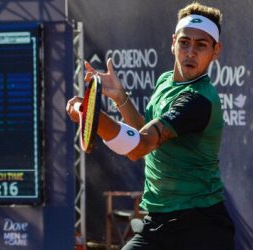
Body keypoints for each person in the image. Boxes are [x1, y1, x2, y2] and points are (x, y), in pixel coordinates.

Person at [66, 2, 234, 249]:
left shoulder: (199, 100)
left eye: (201, 46)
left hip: (202, 228)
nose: (190, 52)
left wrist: (94, 117)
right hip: (158, 225)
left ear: (215, 51)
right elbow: (144, 135)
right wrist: (121, 98)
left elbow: (139, 147)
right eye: (185, 42)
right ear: (173, 42)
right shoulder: (166, 81)